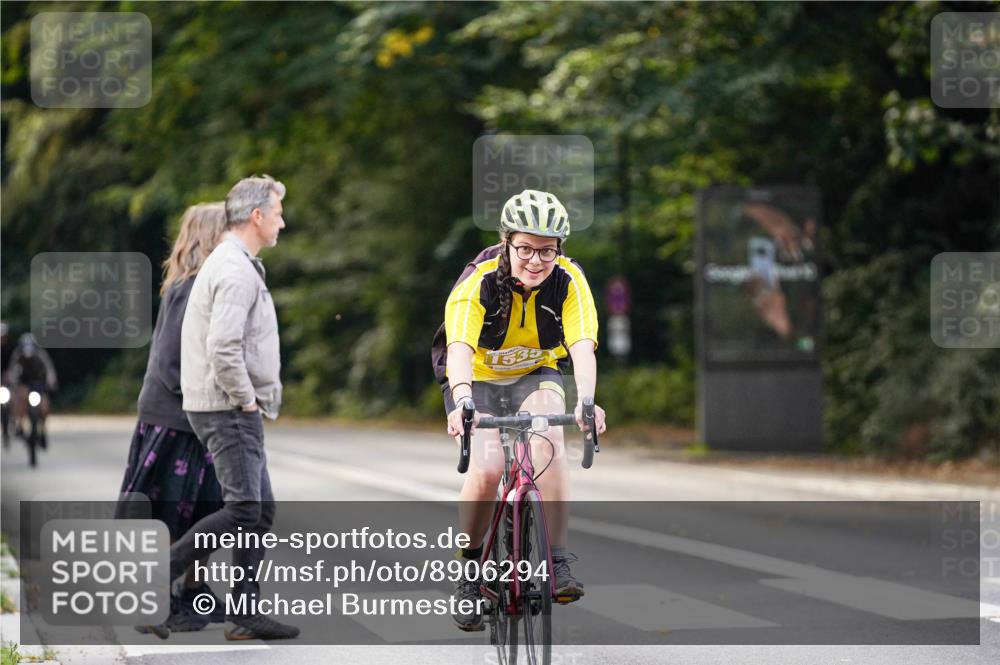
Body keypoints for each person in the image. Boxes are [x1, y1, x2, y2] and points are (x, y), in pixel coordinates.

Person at [431, 189, 607, 631]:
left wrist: (587, 400)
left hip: (537, 372)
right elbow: (457, 350)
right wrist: (463, 401)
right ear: (507, 242)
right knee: (488, 468)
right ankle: (469, 576)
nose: (535, 260)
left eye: (547, 250)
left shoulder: (568, 280)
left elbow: (582, 347)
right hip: (477, 376)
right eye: (525, 247)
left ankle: (558, 562)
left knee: (549, 443)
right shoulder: (479, 280)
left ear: (560, 250)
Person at [163, 175, 296, 641]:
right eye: (278, 211)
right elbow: (223, 347)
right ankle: (163, 572)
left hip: (221, 405)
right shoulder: (236, 270)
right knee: (244, 509)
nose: (283, 220)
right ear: (257, 216)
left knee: (259, 510)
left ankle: (244, 614)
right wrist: (244, 398)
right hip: (227, 407)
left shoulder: (231, 261)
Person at [117, 203, 228, 635]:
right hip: (175, 420)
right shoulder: (189, 287)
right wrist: (212, 396)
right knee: (170, 511)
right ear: (211, 236)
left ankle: (192, 590)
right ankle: (161, 598)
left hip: (196, 419)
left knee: (206, 507)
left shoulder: (200, 285)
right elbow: (171, 362)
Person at [7, 332, 58, 447]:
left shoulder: (41, 354)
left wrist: (51, 381)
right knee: (20, 399)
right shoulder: (18, 354)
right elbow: (13, 369)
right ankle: (19, 425)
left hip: (38, 383)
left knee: (44, 405)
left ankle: (43, 431)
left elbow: (49, 368)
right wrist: (13, 381)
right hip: (24, 383)